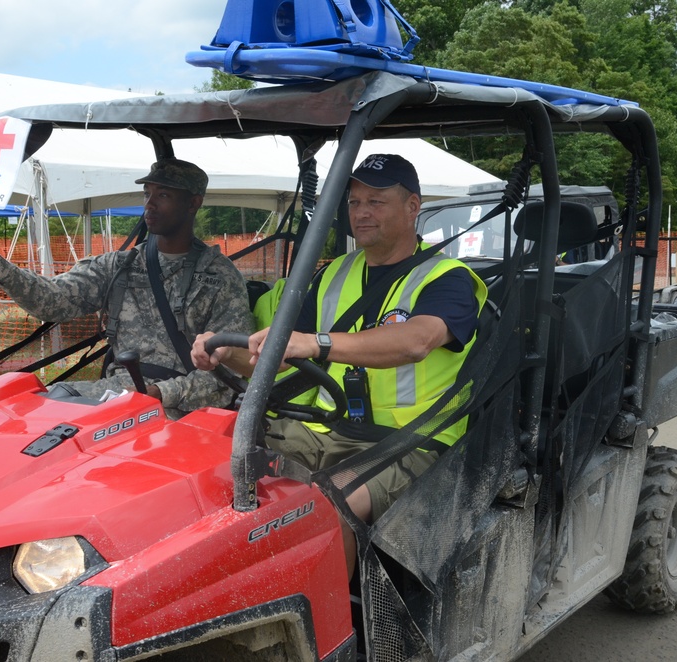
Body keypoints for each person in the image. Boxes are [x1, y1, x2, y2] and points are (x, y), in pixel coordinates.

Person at [192, 153, 487, 575]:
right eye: (354, 202)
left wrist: (316, 343)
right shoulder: (332, 276)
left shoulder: (448, 278)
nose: (361, 213)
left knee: (329, 503)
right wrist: (225, 352)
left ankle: (333, 630)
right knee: (211, 461)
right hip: (322, 429)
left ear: (412, 207)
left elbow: (416, 341)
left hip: (407, 442)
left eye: (376, 201)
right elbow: (283, 361)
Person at [0, 157, 253, 417]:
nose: (149, 203)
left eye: (163, 195)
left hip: (181, 409)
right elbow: (50, 301)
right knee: (22, 413)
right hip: (113, 394)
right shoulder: (119, 265)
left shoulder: (219, 278)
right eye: (147, 193)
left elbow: (230, 375)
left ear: (193, 203)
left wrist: (159, 393)